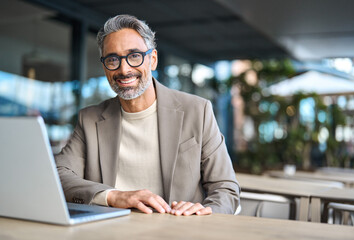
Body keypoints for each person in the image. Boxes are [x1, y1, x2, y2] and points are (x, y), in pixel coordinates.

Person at [55, 14, 240, 216]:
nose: (124, 69)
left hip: (179, 230)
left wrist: (206, 210)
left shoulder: (198, 111)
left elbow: (225, 188)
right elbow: (57, 175)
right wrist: (114, 196)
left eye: (134, 56)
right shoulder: (89, 119)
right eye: (113, 59)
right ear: (105, 67)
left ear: (152, 60)